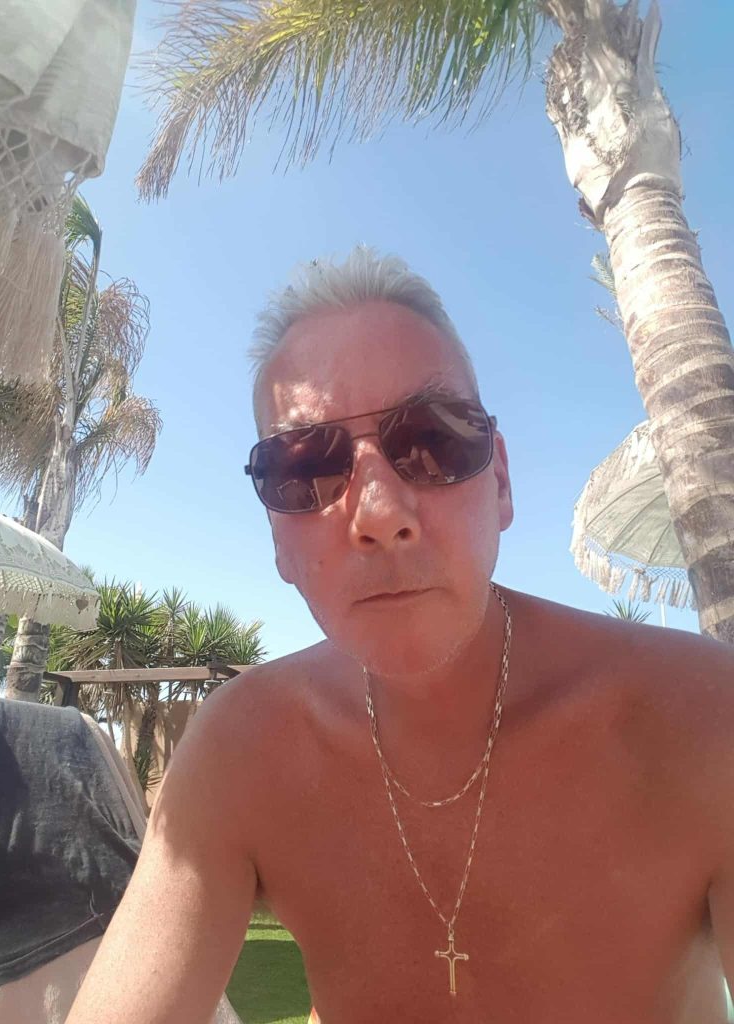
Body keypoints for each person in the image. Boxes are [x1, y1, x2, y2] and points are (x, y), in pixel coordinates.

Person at [66, 248, 734, 1024]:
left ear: (501, 481)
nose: (380, 513)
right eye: (306, 467)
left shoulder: (702, 716)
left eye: (433, 441)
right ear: (277, 534)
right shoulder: (242, 750)